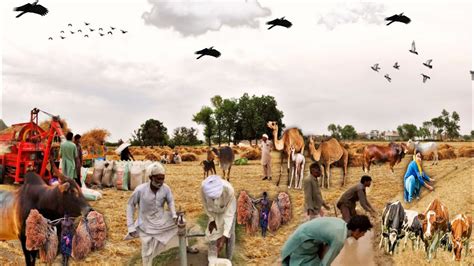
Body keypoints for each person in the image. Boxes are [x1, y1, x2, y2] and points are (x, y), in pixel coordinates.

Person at [126, 163, 197, 266]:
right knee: (147, 248)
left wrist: (174, 215)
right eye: (158, 179)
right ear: (151, 177)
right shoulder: (140, 190)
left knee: (181, 223)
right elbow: (130, 205)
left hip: (161, 218)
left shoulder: (166, 188)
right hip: (145, 223)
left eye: (162, 179)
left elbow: (170, 202)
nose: (160, 182)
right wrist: (130, 226)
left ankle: (184, 247)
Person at [281, 215, 373, 266]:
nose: (363, 235)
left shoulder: (341, 223)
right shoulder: (339, 240)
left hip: (305, 235)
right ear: (357, 231)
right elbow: (325, 263)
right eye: (363, 232)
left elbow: (325, 245)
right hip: (303, 242)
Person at [201, 175, 237, 261]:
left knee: (230, 234)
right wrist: (212, 219)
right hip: (213, 212)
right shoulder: (203, 187)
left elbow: (229, 215)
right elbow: (205, 205)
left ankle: (229, 259)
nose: (214, 200)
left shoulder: (229, 191)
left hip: (226, 210)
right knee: (213, 234)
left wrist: (224, 237)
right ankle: (213, 257)